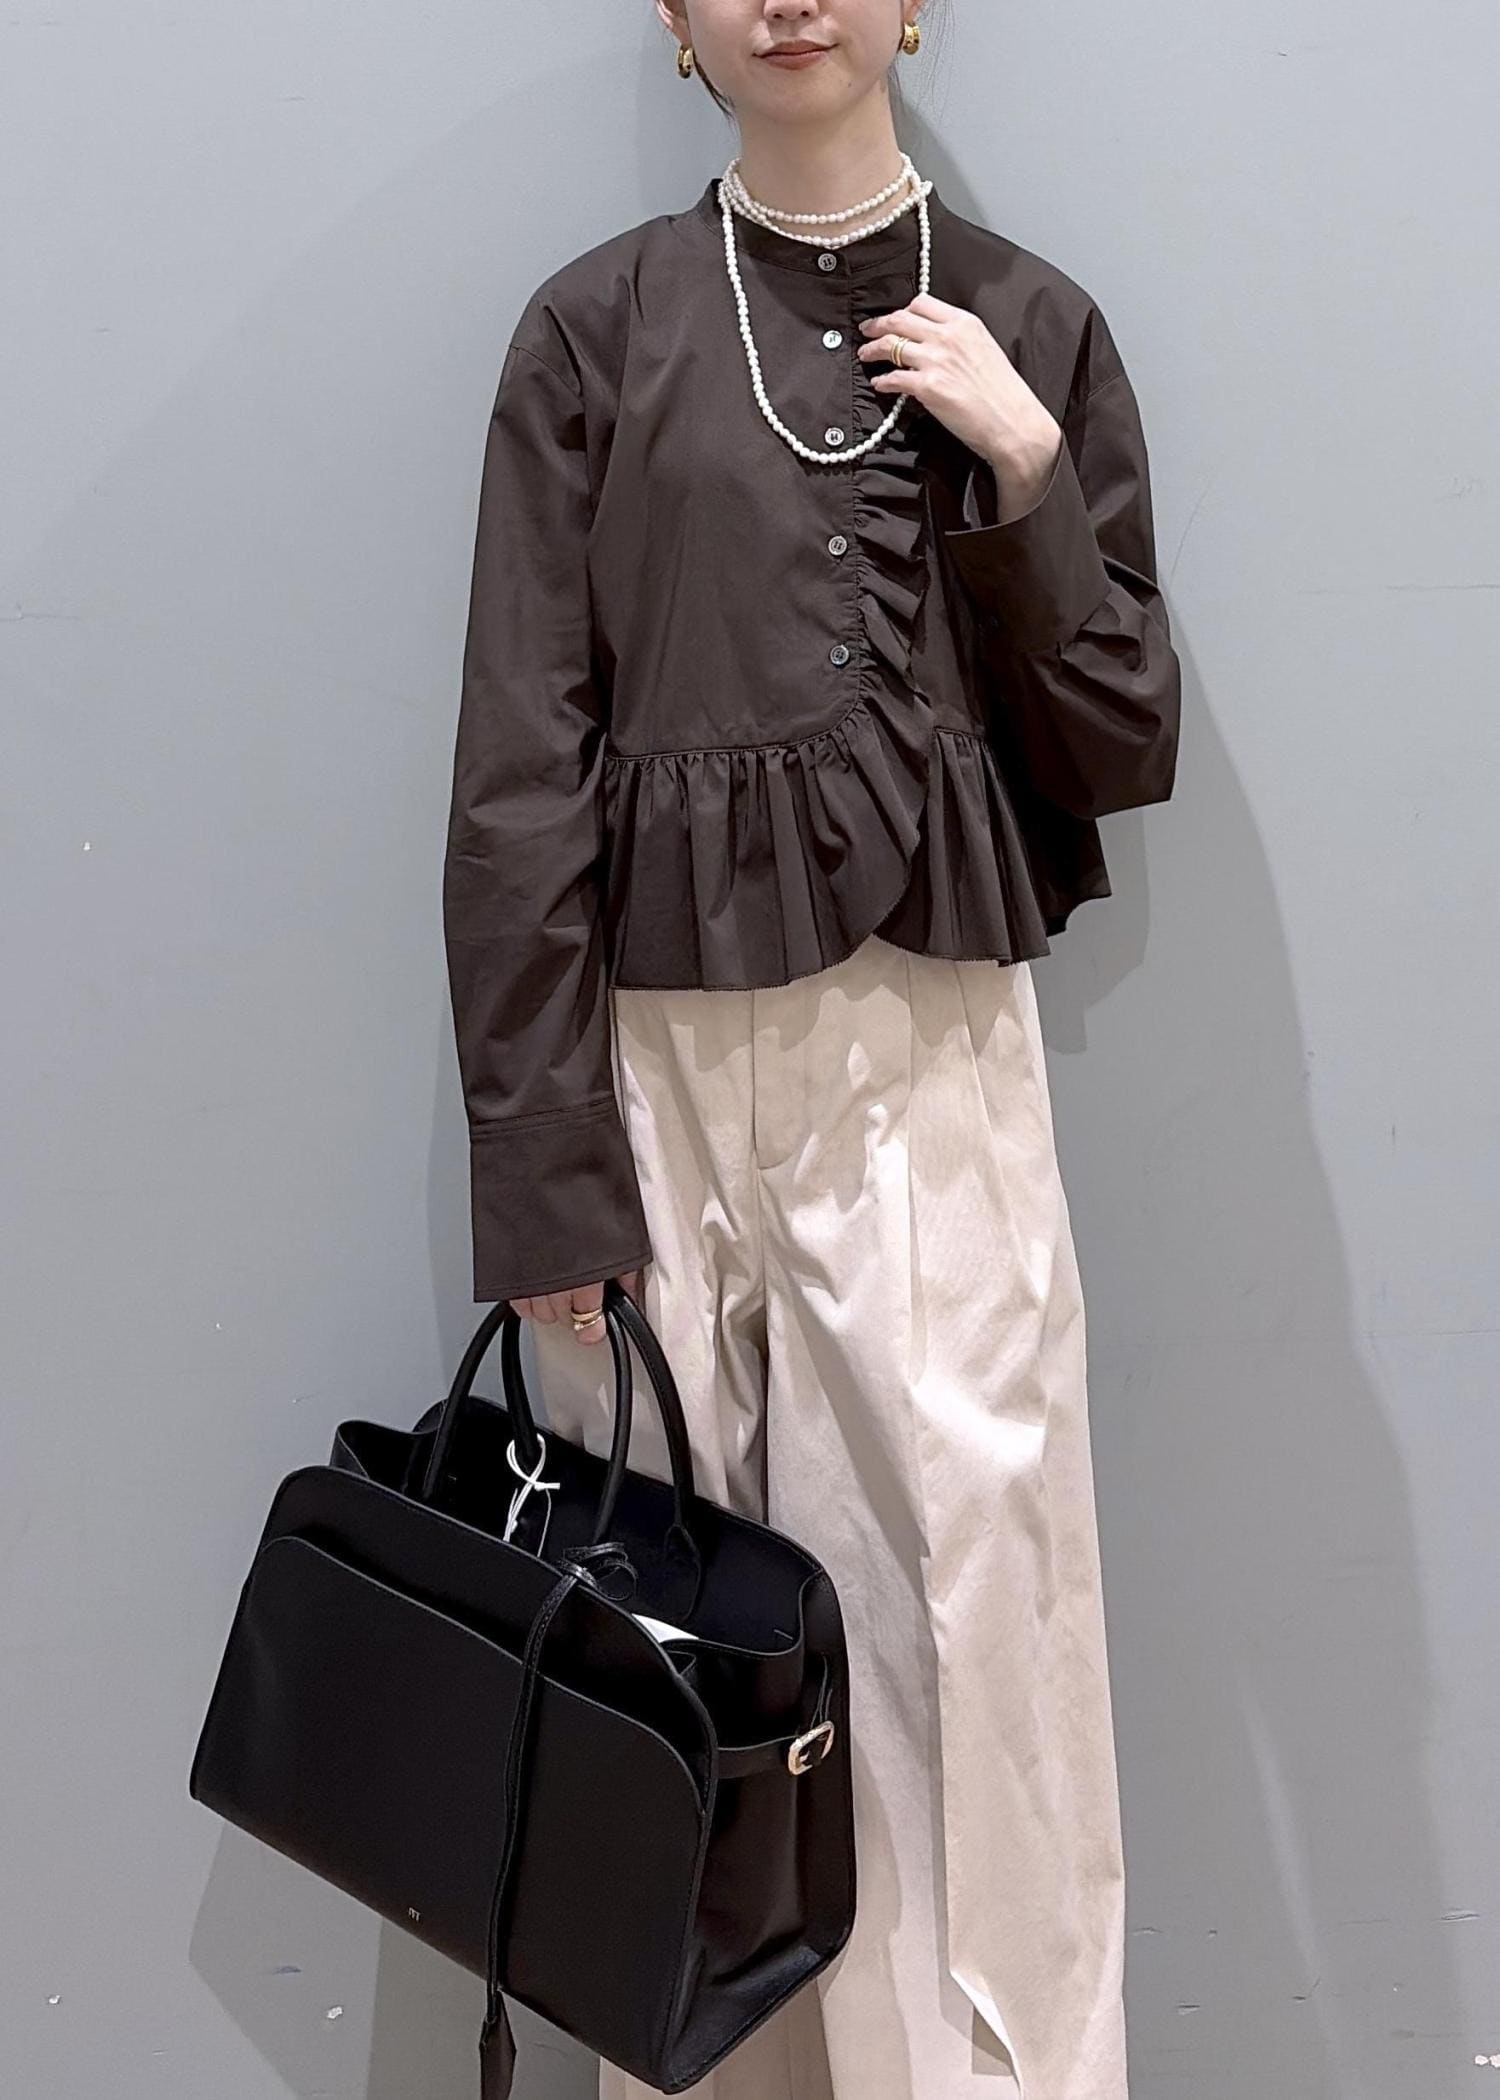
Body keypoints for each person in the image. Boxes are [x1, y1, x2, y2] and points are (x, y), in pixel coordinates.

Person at [440, 2, 1181, 2093]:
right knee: (670, 1674)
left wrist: (1024, 473)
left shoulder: (1035, 320)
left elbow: (1119, 744)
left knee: (971, 1623)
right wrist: (542, 1166)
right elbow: (519, 772)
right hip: (642, 1078)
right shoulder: (593, 333)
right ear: (674, 27)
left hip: (927, 1059)